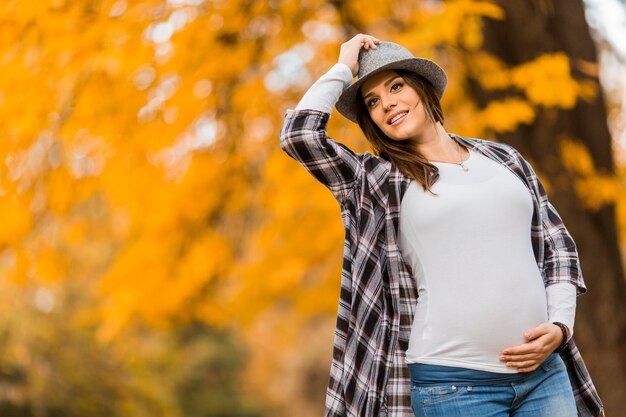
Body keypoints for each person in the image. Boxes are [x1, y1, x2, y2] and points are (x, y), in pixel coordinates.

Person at [279, 34, 604, 417]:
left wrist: (561, 325)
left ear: (424, 88)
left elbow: (557, 247)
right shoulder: (377, 179)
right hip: (454, 388)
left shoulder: (505, 159)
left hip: (544, 377)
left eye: (396, 86)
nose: (388, 104)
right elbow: (300, 136)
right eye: (373, 102)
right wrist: (342, 68)